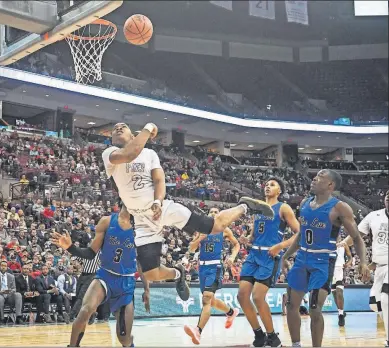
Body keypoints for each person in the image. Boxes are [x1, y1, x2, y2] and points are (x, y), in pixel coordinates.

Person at [101, 122, 274, 301]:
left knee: (213, 226)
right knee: (151, 274)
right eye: (115, 128)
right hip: (141, 218)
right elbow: (129, 153)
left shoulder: (150, 154)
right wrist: (149, 127)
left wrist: (158, 202)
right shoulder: (109, 153)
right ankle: (178, 274)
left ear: (132, 135)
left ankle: (245, 206)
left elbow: (159, 181)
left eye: (123, 127)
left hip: (161, 208)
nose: (118, 128)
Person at [282, 169, 370, 347]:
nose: (314, 178)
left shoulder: (340, 208)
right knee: (291, 305)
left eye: (320, 176)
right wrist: (286, 256)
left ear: (331, 185)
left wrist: (363, 263)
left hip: (323, 261)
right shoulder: (306, 203)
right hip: (302, 259)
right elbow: (301, 236)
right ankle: (295, 344)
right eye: (315, 176)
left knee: (315, 309)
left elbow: (357, 238)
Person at [51, 206, 150, 348]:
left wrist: (147, 288)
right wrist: (70, 247)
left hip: (126, 282)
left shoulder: (140, 229)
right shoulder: (107, 222)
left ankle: (129, 342)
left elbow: (142, 262)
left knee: (123, 337)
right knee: (85, 311)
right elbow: (91, 253)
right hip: (105, 276)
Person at [237, 177, 300, 347]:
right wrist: (247, 238)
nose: (267, 186)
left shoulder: (283, 208)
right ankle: (259, 335)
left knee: (257, 297)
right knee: (242, 296)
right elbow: (255, 235)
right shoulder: (258, 208)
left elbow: (298, 233)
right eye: (266, 184)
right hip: (253, 255)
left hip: (269, 257)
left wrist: (280, 246)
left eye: (272, 185)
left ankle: (272, 336)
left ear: (279, 191)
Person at [183, 207, 240, 345]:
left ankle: (198, 330)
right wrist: (200, 238)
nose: (214, 214)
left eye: (216, 212)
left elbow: (236, 244)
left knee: (206, 298)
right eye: (211, 212)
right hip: (202, 267)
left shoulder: (224, 229)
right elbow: (191, 248)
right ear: (208, 215)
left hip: (215, 266)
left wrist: (232, 256)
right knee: (211, 300)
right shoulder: (202, 229)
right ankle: (231, 312)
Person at [339, 190, 388, 347]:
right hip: (380, 266)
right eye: (388, 196)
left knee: (386, 298)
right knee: (375, 303)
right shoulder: (374, 216)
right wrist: (344, 243)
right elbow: (357, 235)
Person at [332, 235, 352, 327]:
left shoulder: (344, 244)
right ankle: (340, 312)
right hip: (330, 270)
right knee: (334, 293)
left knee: (339, 291)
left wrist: (347, 263)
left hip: (340, 269)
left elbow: (350, 257)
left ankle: (340, 315)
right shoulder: (329, 243)